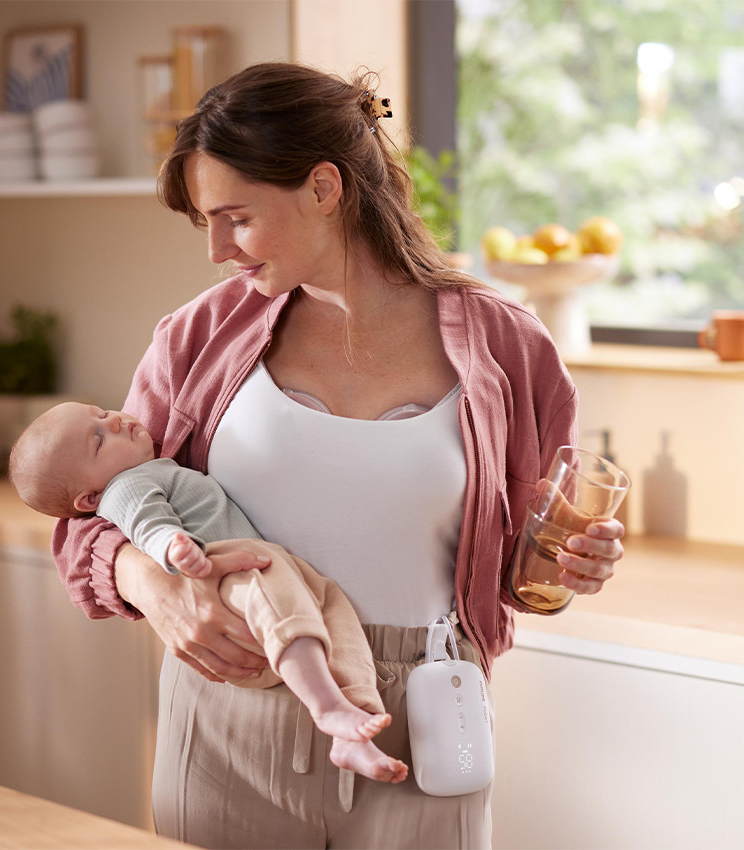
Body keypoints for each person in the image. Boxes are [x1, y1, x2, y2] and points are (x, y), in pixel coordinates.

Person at [52, 62, 625, 849]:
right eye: (205, 224)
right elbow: (83, 516)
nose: (218, 249)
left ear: (324, 188)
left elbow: (525, 560)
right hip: (230, 715)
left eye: (237, 218)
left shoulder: (506, 348)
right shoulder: (197, 339)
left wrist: (569, 565)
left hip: (423, 726)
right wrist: (151, 584)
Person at [9, 400, 408, 784]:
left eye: (102, 412)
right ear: (91, 498)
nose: (114, 421)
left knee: (335, 615)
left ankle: (353, 731)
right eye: (97, 439)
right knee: (286, 607)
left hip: (262, 566)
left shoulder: (151, 468)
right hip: (223, 571)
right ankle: (328, 707)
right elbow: (148, 525)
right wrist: (173, 547)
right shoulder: (124, 488)